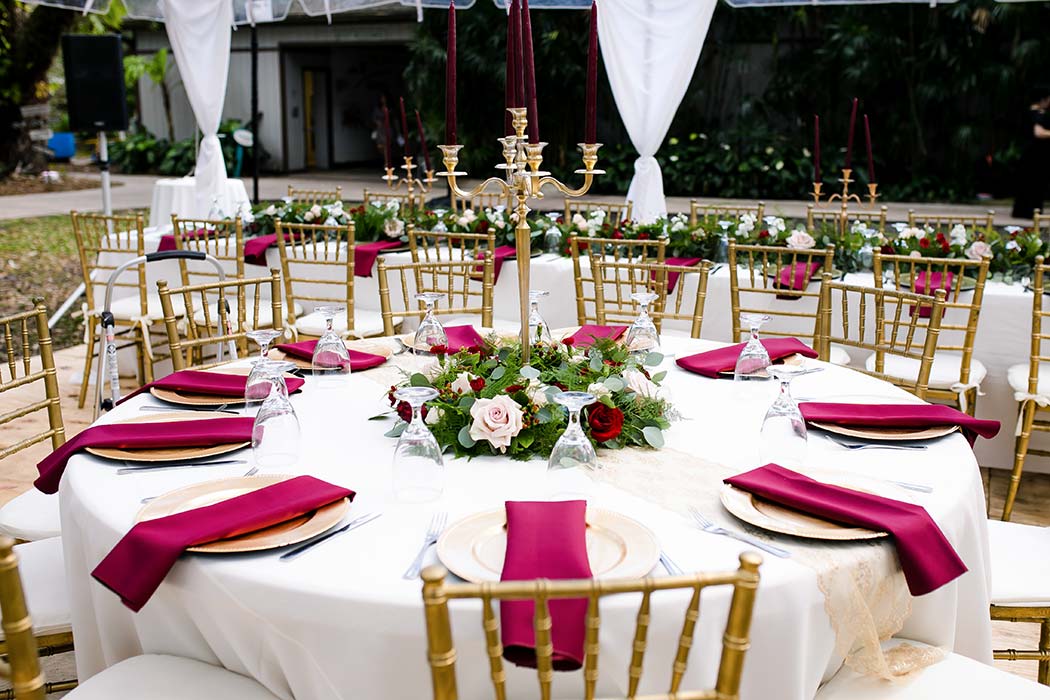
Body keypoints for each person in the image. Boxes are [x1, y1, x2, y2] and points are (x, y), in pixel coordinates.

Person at [1012, 85, 1050, 220]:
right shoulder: (1038, 114)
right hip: (1037, 154)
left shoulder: (1026, 112)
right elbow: (1038, 132)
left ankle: (1021, 211)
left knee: (1026, 182)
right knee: (1036, 183)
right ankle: (1033, 212)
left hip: (1027, 152)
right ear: (1043, 100)